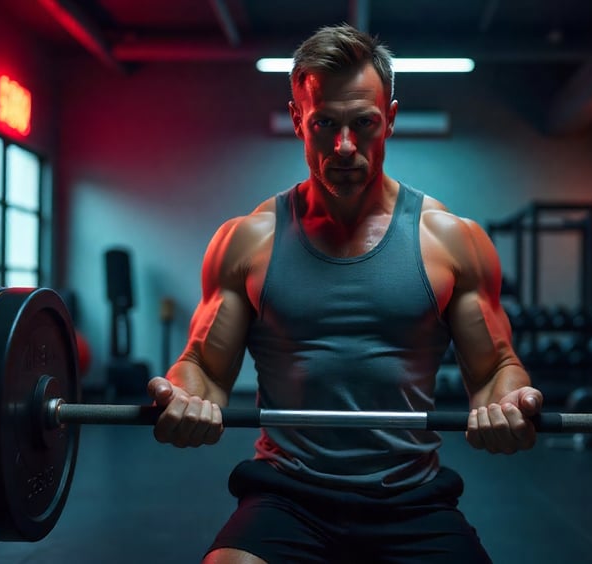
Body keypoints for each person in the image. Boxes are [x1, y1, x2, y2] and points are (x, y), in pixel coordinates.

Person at [147, 23, 543, 564]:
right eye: (325, 124)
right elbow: (205, 369)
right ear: (296, 120)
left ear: (392, 120)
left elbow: (497, 366)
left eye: (364, 124)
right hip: (288, 497)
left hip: (411, 500)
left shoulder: (451, 240)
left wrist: (507, 402)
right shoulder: (248, 241)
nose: (345, 146)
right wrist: (184, 394)